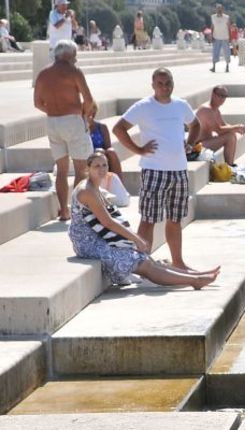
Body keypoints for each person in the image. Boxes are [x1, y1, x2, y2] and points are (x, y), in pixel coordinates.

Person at [69, 150, 219, 288]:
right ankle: (195, 281)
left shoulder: (95, 186)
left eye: (104, 165)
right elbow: (108, 222)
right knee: (144, 263)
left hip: (99, 239)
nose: (102, 169)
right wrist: (136, 239)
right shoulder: (86, 190)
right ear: (88, 169)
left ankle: (195, 275)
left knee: (147, 259)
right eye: (96, 166)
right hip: (89, 244)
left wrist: (133, 240)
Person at [113, 68, 204, 272]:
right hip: (154, 170)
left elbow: (196, 125)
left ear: (173, 84)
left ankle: (178, 262)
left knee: (175, 218)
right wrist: (138, 149)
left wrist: (189, 144)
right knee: (149, 219)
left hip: (179, 171)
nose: (165, 87)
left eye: (168, 83)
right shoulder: (143, 106)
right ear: (153, 85)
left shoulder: (181, 105)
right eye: (160, 83)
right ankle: (143, 264)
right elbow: (119, 128)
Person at [33, 40, 96, 221]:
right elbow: (89, 99)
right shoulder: (74, 72)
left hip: (52, 121)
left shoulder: (43, 74)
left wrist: (53, 112)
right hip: (73, 121)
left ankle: (64, 210)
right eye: (75, 55)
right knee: (80, 169)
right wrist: (83, 114)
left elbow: (37, 103)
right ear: (69, 55)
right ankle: (77, 211)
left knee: (61, 170)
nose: (76, 59)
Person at [193, 86, 245, 166]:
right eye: (220, 95)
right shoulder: (206, 109)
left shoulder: (216, 110)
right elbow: (218, 130)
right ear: (213, 95)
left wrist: (239, 128)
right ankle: (230, 165)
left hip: (206, 143)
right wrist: (236, 127)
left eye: (225, 96)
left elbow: (224, 125)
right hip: (197, 147)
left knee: (231, 134)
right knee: (230, 137)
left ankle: (230, 166)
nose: (222, 99)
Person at [86, 108, 122, 178]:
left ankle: (119, 184)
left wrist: (100, 153)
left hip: (101, 154)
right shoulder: (78, 128)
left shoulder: (101, 127)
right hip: (85, 155)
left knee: (111, 152)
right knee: (99, 153)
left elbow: (108, 146)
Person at [210, 4, 231, 73]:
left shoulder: (226, 17)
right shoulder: (213, 17)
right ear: (216, 9)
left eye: (220, 9)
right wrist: (211, 35)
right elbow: (212, 26)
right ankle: (213, 67)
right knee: (215, 52)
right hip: (216, 37)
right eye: (218, 9)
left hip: (225, 37)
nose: (219, 10)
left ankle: (227, 67)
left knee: (227, 53)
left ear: (222, 9)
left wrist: (230, 37)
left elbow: (229, 28)